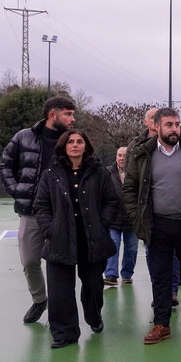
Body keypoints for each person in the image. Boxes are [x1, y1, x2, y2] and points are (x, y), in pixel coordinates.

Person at [123, 107, 181, 344]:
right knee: (161, 275)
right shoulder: (142, 153)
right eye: (169, 125)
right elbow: (130, 188)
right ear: (156, 127)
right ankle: (161, 324)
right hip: (157, 225)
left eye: (177, 124)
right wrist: (136, 217)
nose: (175, 129)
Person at [32, 129, 119, 349]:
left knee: (93, 286)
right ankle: (64, 333)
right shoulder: (51, 174)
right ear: (63, 146)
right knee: (60, 290)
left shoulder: (99, 172)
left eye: (79, 141)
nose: (75, 145)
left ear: (85, 146)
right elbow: (41, 205)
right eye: (70, 141)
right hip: (60, 240)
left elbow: (111, 201)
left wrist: (102, 224)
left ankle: (94, 316)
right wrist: (49, 229)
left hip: (92, 240)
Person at [0, 95, 76, 324]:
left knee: (62, 263)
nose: (72, 119)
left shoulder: (73, 141)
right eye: (68, 114)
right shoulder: (24, 137)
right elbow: (5, 165)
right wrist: (17, 191)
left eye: (73, 115)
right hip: (31, 211)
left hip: (62, 213)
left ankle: (62, 310)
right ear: (52, 115)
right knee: (30, 261)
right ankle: (40, 300)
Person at [129, 108, 181, 304]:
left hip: (175, 214)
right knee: (152, 254)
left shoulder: (180, 145)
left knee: (174, 254)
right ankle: (159, 291)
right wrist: (135, 213)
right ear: (148, 122)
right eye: (151, 118)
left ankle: (172, 291)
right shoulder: (136, 146)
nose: (154, 121)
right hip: (148, 213)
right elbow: (131, 181)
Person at [104, 146, 139, 286]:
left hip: (132, 220)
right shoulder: (107, 173)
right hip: (113, 219)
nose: (122, 158)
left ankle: (127, 274)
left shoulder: (136, 173)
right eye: (119, 155)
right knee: (113, 245)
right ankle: (111, 275)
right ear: (116, 157)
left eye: (125, 155)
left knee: (132, 249)